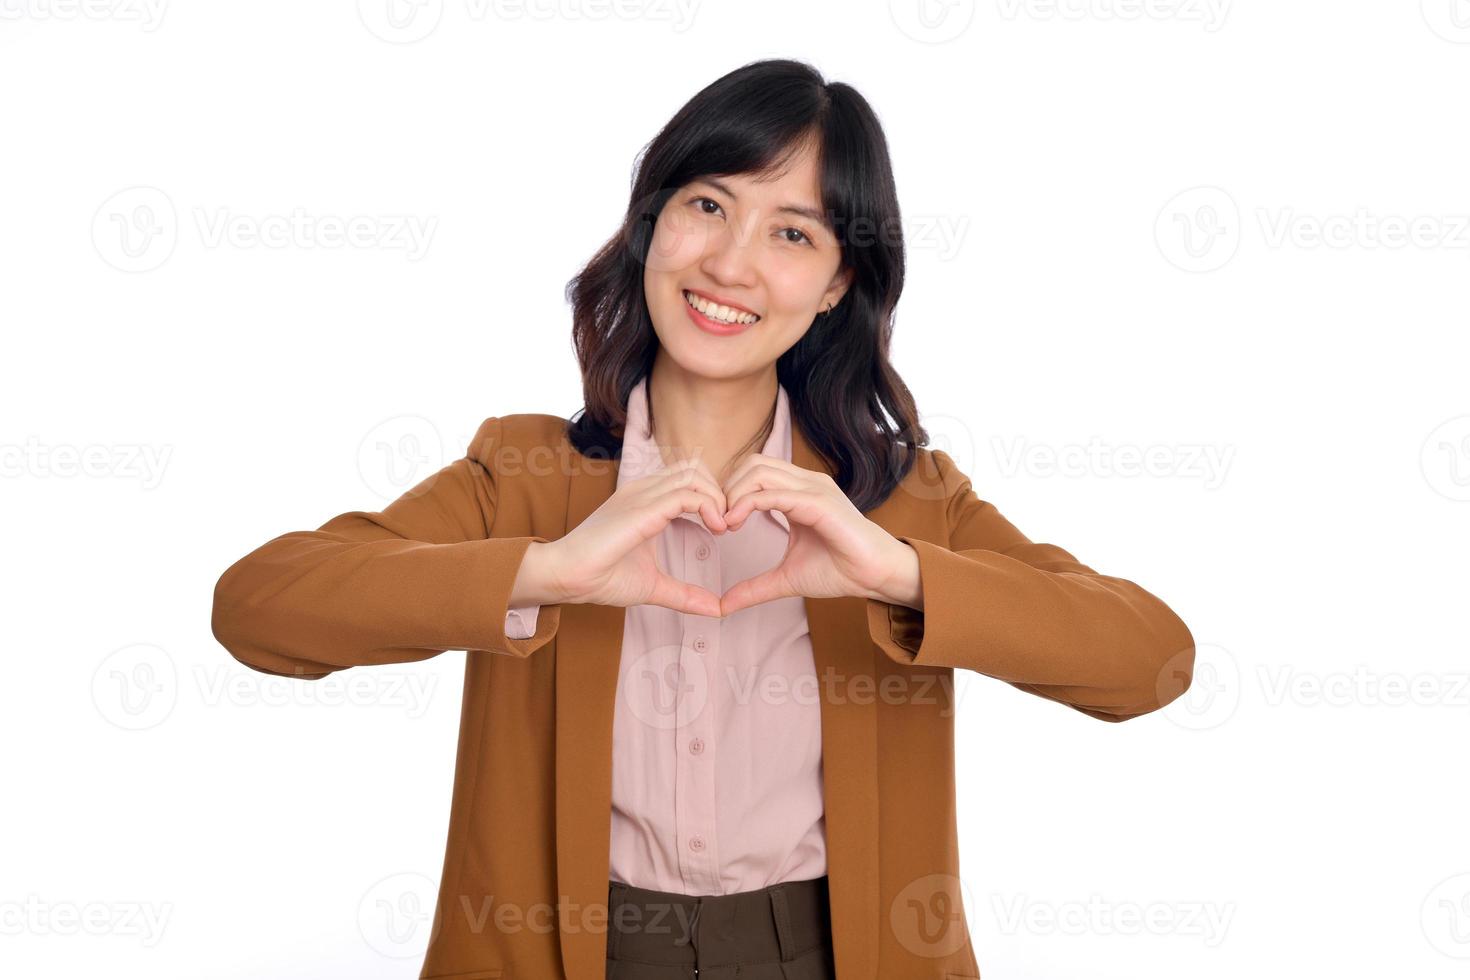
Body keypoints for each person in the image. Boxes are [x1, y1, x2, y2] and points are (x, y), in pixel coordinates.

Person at [211, 58, 1195, 980]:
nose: (731, 262)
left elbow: (1152, 660)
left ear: (837, 282)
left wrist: (900, 572)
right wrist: (543, 570)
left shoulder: (902, 499)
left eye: (792, 232)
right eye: (707, 204)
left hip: (831, 951)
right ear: (653, 224)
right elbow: (257, 607)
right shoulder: (522, 476)